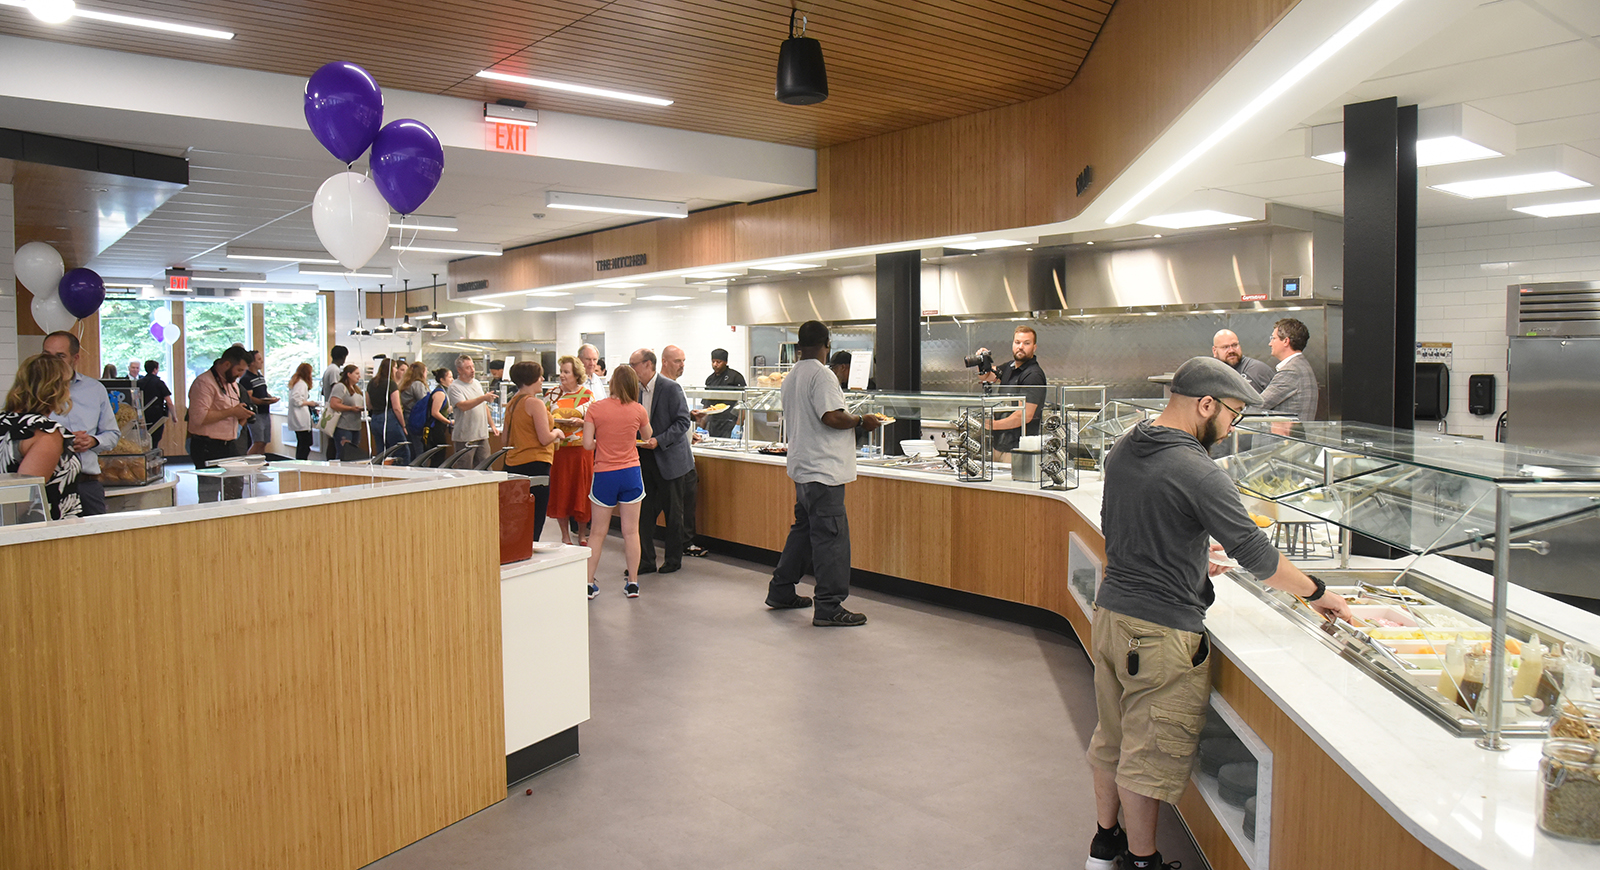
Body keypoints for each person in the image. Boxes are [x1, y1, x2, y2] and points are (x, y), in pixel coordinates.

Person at [1085, 356, 1352, 870]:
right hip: (1160, 633)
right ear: (1205, 404)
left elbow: (1120, 523)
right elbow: (1258, 557)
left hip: (1112, 616)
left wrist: (1186, 555)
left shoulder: (1126, 445)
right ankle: (1143, 862)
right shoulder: (1198, 470)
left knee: (1111, 738)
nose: (1232, 430)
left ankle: (1103, 845)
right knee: (1148, 756)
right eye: (1232, 414)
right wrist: (1319, 593)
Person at [766, 321, 883, 626]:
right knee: (832, 539)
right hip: (824, 471)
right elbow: (831, 416)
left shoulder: (792, 376)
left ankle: (780, 589)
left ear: (799, 345)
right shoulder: (822, 374)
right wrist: (861, 420)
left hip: (803, 468)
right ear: (826, 344)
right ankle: (829, 606)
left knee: (803, 532)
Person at [582, 364, 652, 600]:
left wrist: (602, 441)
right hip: (631, 472)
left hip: (604, 474)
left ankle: (589, 584)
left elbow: (587, 445)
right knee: (632, 532)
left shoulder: (595, 408)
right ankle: (633, 583)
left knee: (598, 533)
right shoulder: (639, 410)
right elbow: (648, 435)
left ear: (611, 383)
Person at [629, 348, 694, 575]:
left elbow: (682, 422)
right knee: (644, 513)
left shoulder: (670, 388)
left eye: (634, 364)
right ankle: (645, 560)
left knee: (673, 513)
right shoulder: (633, 390)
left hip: (669, 458)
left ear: (648, 365)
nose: (631, 369)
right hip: (643, 458)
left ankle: (673, 561)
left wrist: (659, 440)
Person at [41, 332, 119, 516]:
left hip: (86, 483)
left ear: (75, 358)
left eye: (60, 356)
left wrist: (92, 441)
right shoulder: (32, 392)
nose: (52, 362)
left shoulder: (95, 389)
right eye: (47, 356)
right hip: (47, 484)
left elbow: (112, 434)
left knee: (96, 542)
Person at [2, 353, 83, 520]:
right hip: (38, 534)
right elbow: (22, 499)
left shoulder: (4, 421)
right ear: (55, 389)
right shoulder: (46, 433)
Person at [186, 345, 254, 501]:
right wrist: (232, 412)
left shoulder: (233, 384)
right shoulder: (204, 383)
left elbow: (233, 410)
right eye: (238, 370)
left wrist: (242, 415)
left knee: (234, 491)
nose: (240, 375)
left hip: (229, 445)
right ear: (226, 365)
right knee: (209, 495)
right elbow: (198, 418)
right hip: (207, 447)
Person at [660, 345, 709, 558]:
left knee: (683, 500)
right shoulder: (669, 386)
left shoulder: (669, 386)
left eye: (683, 361)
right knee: (680, 502)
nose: (682, 366)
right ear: (664, 361)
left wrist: (690, 424)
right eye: (678, 361)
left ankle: (681, 543)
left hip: (680, 450)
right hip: (674, 456)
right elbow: (669, 422)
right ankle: (682, 544)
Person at [504, 362, 560, 542]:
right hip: (536, 464)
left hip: (512, 463)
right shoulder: (535, 403)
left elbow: (504, 440)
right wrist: (558, 432)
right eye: (540, 376)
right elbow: (544, 438)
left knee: (517, 517)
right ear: (532, 379)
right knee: (535, 518)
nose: (542, 379)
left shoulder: (512, 403)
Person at [547, 355, 595, 546]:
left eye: (566, 372)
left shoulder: (587, 395)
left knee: (581, 490)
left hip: (581, 450)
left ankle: (582, 534)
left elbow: (595, 421)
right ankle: (564, 535)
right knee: (562, 491)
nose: (562, 376)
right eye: (561, 372)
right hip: (559, 450)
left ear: (576, 375)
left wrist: (582, 422)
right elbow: (543, 419)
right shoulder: (552, 394)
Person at [978, 324, 1047, 454]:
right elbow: (987, 377)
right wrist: (982, 363)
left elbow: (1024, 415)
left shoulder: (1033, 375)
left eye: (1026, 343)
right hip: (1000, 443)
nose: (1021, 347)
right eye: (1017, 342)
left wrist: (992, 425)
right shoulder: (1010, 367)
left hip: (1019, 447)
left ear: (1034, 347)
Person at [1259, 317, 1319, 422]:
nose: (1270, 343)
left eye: (1273, 338)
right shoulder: (1300, 365)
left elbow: (1259, 404)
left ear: (1286, 341)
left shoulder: (1291, 371)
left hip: (1283, 438)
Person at [447, 354, 497, 467]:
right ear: (459, 370)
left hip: (482, 434)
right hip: (465, 437)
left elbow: (484, 406)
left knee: (486, 467)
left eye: (473, 366)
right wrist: (483, 397)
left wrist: (492, 425)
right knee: (465, 469)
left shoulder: (477, 383)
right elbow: (463, 406)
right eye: (468, 367)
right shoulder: (455, 387)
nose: (472, 370)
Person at [366, 358, 409, 463]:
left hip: (375, 419)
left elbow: (368, 404)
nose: (396, 370)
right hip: (389, 418)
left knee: (382, 453)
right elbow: (396, 407)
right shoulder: (391, 384)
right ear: (391, 369)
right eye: (395, 367)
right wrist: (403, 425)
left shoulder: (371, 383)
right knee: (402, 451)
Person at [238, 349, 279, 455]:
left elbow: (263, 392)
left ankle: (260, 464)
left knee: (264, 442)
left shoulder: (260, 376)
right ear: (252, 362)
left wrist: (270, 398)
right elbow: (249, 397)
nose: (262, 361)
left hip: (265, 412)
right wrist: (262, 402)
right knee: (258, 441)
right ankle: (248, 462)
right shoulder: (247, 378)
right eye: (259, 359)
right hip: (256, 413)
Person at [702, 348, 746, 438]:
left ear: (725, 362)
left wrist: (738, 426)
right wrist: (701, 428)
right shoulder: (710, 380)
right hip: (714, 424)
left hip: (730, 424)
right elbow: (706, 406)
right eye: (713, 362)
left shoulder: (735, 377)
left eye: (718, 362)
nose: (715, 365)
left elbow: (743, 405)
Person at [326, 364, 365, 459]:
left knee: (353, 454)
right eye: (356, 373)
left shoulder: (356, 388)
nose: (359, 376)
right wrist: (351, 408)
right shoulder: (340, 387)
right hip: (343, 426)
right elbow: (334, 404)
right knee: (343, 453)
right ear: (349, 374)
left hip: (355, 426)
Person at [285, 362, 320, 461]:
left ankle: (301, 461)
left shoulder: (297, 383)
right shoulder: (301, 384)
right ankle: (302, 462)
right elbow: (296, 400)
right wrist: (310, 403)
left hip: (298, 418)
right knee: (305, 444)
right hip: (300, 418)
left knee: (303, 443)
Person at [398, 361, 430, 456]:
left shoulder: (405, 384)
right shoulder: (418, 384)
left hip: (407, 417)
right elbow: (424, 401)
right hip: (417, 420)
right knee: (419, 449)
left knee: (412, 449)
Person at [137, 359, 173, 442]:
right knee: (156, 436)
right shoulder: (159, 383)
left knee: (143, 438)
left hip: (142, 414)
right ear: (155, 369)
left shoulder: (139, 383)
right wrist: (174, 416)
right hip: (157, 413)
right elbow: (169, 402)